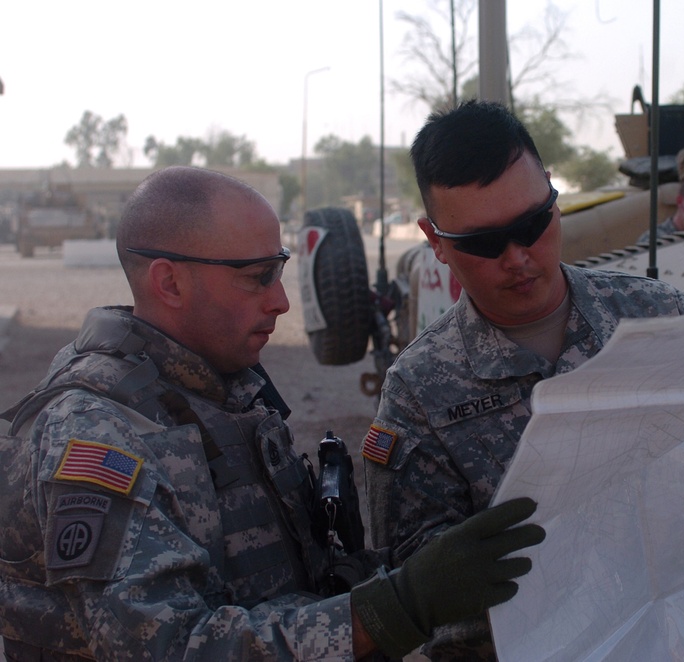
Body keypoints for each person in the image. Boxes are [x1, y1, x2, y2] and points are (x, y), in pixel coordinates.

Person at [362, 100, 684, 660]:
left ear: (551, 192)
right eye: (485, 243)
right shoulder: (420, 393)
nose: (518, 258)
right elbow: (418, 601)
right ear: (436, 239)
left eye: (532, 224)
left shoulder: (658, 315)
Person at [0, 166, 545, 661]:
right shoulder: (94, 433)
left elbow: (285, 585)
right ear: (169, 282)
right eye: (256, 276)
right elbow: (169, 647)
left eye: (279, 271)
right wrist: (397, 605)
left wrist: (418, 570)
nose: (282, 301)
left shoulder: (223, 390)